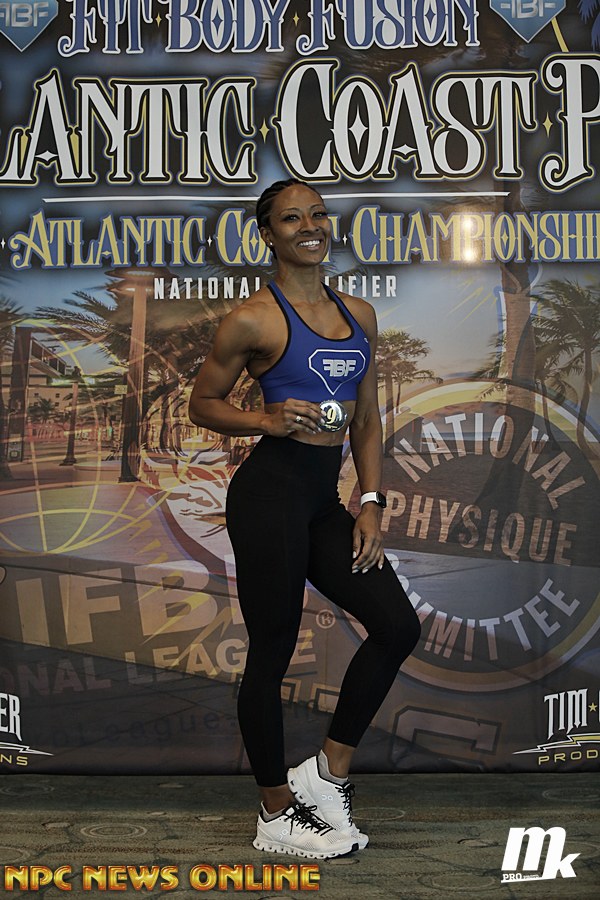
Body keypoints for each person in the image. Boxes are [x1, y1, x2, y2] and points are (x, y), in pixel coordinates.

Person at [188, 179, 421, 859]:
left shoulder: (359, 314)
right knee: (272, 652)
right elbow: (204, 403)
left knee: (396, 625)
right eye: (292, 218)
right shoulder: (253, 320)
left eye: (318, 214)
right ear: (269, 235)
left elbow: (367, 418)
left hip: (322, 500)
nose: (310, 226)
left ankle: (326, 773)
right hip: (268, 497)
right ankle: (274, 811)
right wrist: (262, 419)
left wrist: (370, 501)